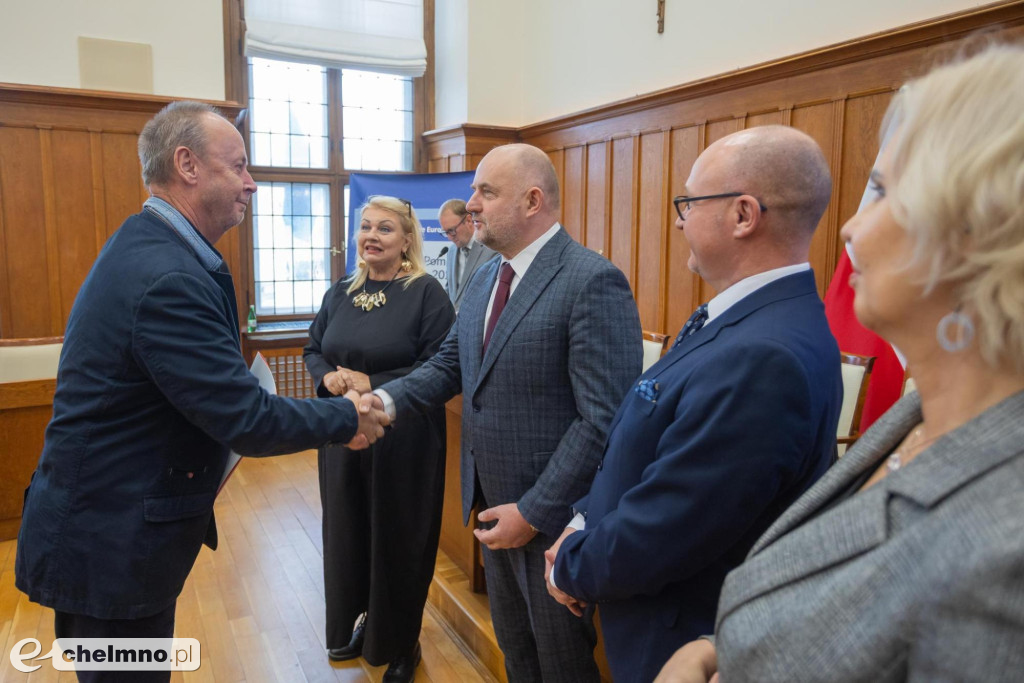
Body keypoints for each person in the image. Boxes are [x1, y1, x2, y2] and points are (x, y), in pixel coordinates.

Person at [656, 43, 1024, 683]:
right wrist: (726, 651)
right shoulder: (915, 415)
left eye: (881, 190)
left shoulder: (1005, 551)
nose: (850, 227)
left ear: (978, 229)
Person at [14, 101, 389, 683]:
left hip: (107, 537)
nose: (252, 183)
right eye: (238, 166)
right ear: (186, 164)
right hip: (110, 550)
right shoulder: (168, 277)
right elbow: (248, 419)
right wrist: (345, 417)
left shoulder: (156, 249)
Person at [544, 125, 843, 682]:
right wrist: (582, 517)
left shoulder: (763, 355)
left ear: (743, 215)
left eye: (689, 202)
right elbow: (649, 440)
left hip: (680, 643)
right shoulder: (746, 317)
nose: (679, 220)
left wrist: (570, 563)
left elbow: (668, 527)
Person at [365, 143, 643, 682]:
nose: (471, 204)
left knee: (562, 666)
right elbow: (451, 363)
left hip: (550, 522)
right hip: (492, 505)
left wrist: (534, 512)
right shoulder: (488, 277)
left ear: (533, 200)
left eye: (486, 192)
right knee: (519, 658)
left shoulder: (591, 281)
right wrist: (384, 401)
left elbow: (603, 419)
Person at [303, 195, 455, 682]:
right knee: (348, 533)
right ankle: (360, 622)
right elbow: (312, 347)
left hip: (403, 440)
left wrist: (376, 382)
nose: (371, 236)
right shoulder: (341, 292)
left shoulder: (427, 293)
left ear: (408, 239)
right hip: (342, 435)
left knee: (398, 538)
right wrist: (327, 377)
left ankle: (401, 640)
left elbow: (441, 367)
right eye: (365, 227)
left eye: (385, 229)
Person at [440, 197, 497, 312]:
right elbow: (451, 291)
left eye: (452, 230)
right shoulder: (451, 251)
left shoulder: (491, 248)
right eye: (446, 232)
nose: (450, 237)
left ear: (469, 220)